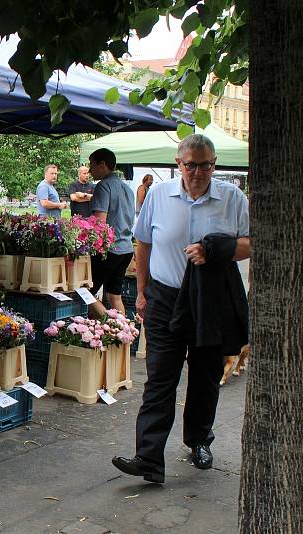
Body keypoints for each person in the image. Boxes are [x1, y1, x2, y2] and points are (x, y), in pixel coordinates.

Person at [112, 134, 250, 484]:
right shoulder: (159, 195)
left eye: (206, 165)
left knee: (205, 378)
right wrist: (142, 290)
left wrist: (215, 251)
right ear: (179, 164)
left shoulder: (232, 197)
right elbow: (142, 241)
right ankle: (148, 459)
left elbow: (250, 243)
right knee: (159, 378)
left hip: (210, 302)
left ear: (214, 164)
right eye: (191, 165)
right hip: (165, 298)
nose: (199, 172)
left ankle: (199, 440)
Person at [87, 148, 134, 318]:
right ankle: (124, 336)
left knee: (84, 292)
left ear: (102, 164)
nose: (90, 170)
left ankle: (112, 327)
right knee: (114, 295)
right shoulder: (126, 187)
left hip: (108, 250)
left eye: (92, 164)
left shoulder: (103, 186)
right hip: (126, 249)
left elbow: (99, 224)